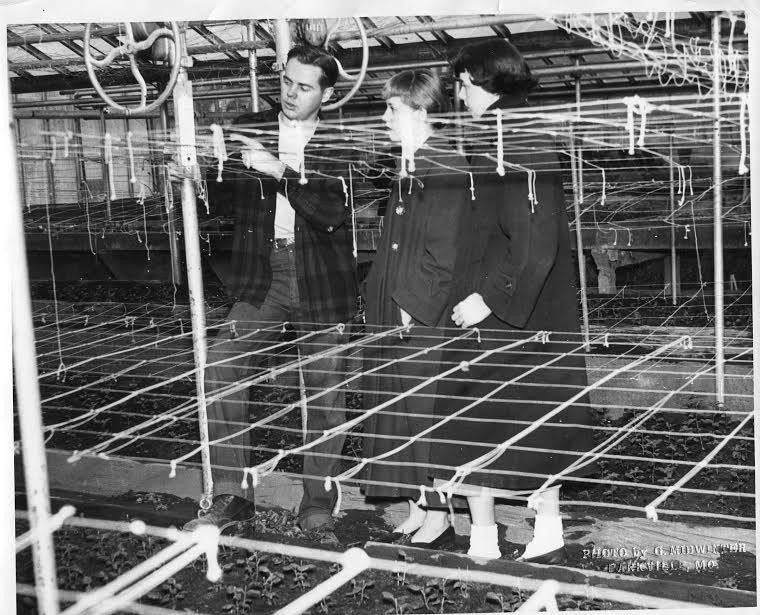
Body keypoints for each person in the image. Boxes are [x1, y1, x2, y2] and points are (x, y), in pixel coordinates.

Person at [426, 38, 597, 562]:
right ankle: (484, 536)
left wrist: (489, 299)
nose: (457, 95)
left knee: (528, 416)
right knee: (481, 418)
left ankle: (546, 529)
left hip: (516, 308)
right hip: (492, 304)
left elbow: (536, 242)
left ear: (481, 81)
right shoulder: (498, 133)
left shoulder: (515, 137)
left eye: (460, 83)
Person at [183, 45, 358, 544]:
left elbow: (331, 212)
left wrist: (277, 168)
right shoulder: (250, 127)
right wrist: (197, 178)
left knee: (325, 391)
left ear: (327, 93)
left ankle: (318, 503)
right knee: (222, 366)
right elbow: (225, 193)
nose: (290, 93)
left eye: (304, 87)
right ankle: (233, 498)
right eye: (286, 80)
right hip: (265, 273)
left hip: (321, 276)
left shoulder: (342, 141)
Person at [361, 69, 469, 548]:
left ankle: (440, 516)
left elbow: (445, 252)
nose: (385, 117)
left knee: (423, 413)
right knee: (398, 410)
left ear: (421, 113)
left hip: (419, 313)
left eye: (393, 109)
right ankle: (420, 507)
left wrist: (413, 305)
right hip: (394, 304)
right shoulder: (410, 165)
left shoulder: (442, 165)